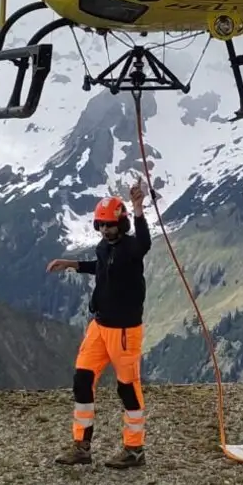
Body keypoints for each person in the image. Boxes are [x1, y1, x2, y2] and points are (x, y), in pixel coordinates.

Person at [45, 177, 153, 469]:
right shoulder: (105, 248)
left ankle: (134, 450)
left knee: (127, 388)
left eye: (110, 225)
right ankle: (81, 446)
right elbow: (101, 267)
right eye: (101, 225)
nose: (106, 230)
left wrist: (139, 208)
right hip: (100, 326)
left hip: (124, 331)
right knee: (82, 380)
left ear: (122, 225)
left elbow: (145, 243)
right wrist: (72, 264)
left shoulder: (132, 248)